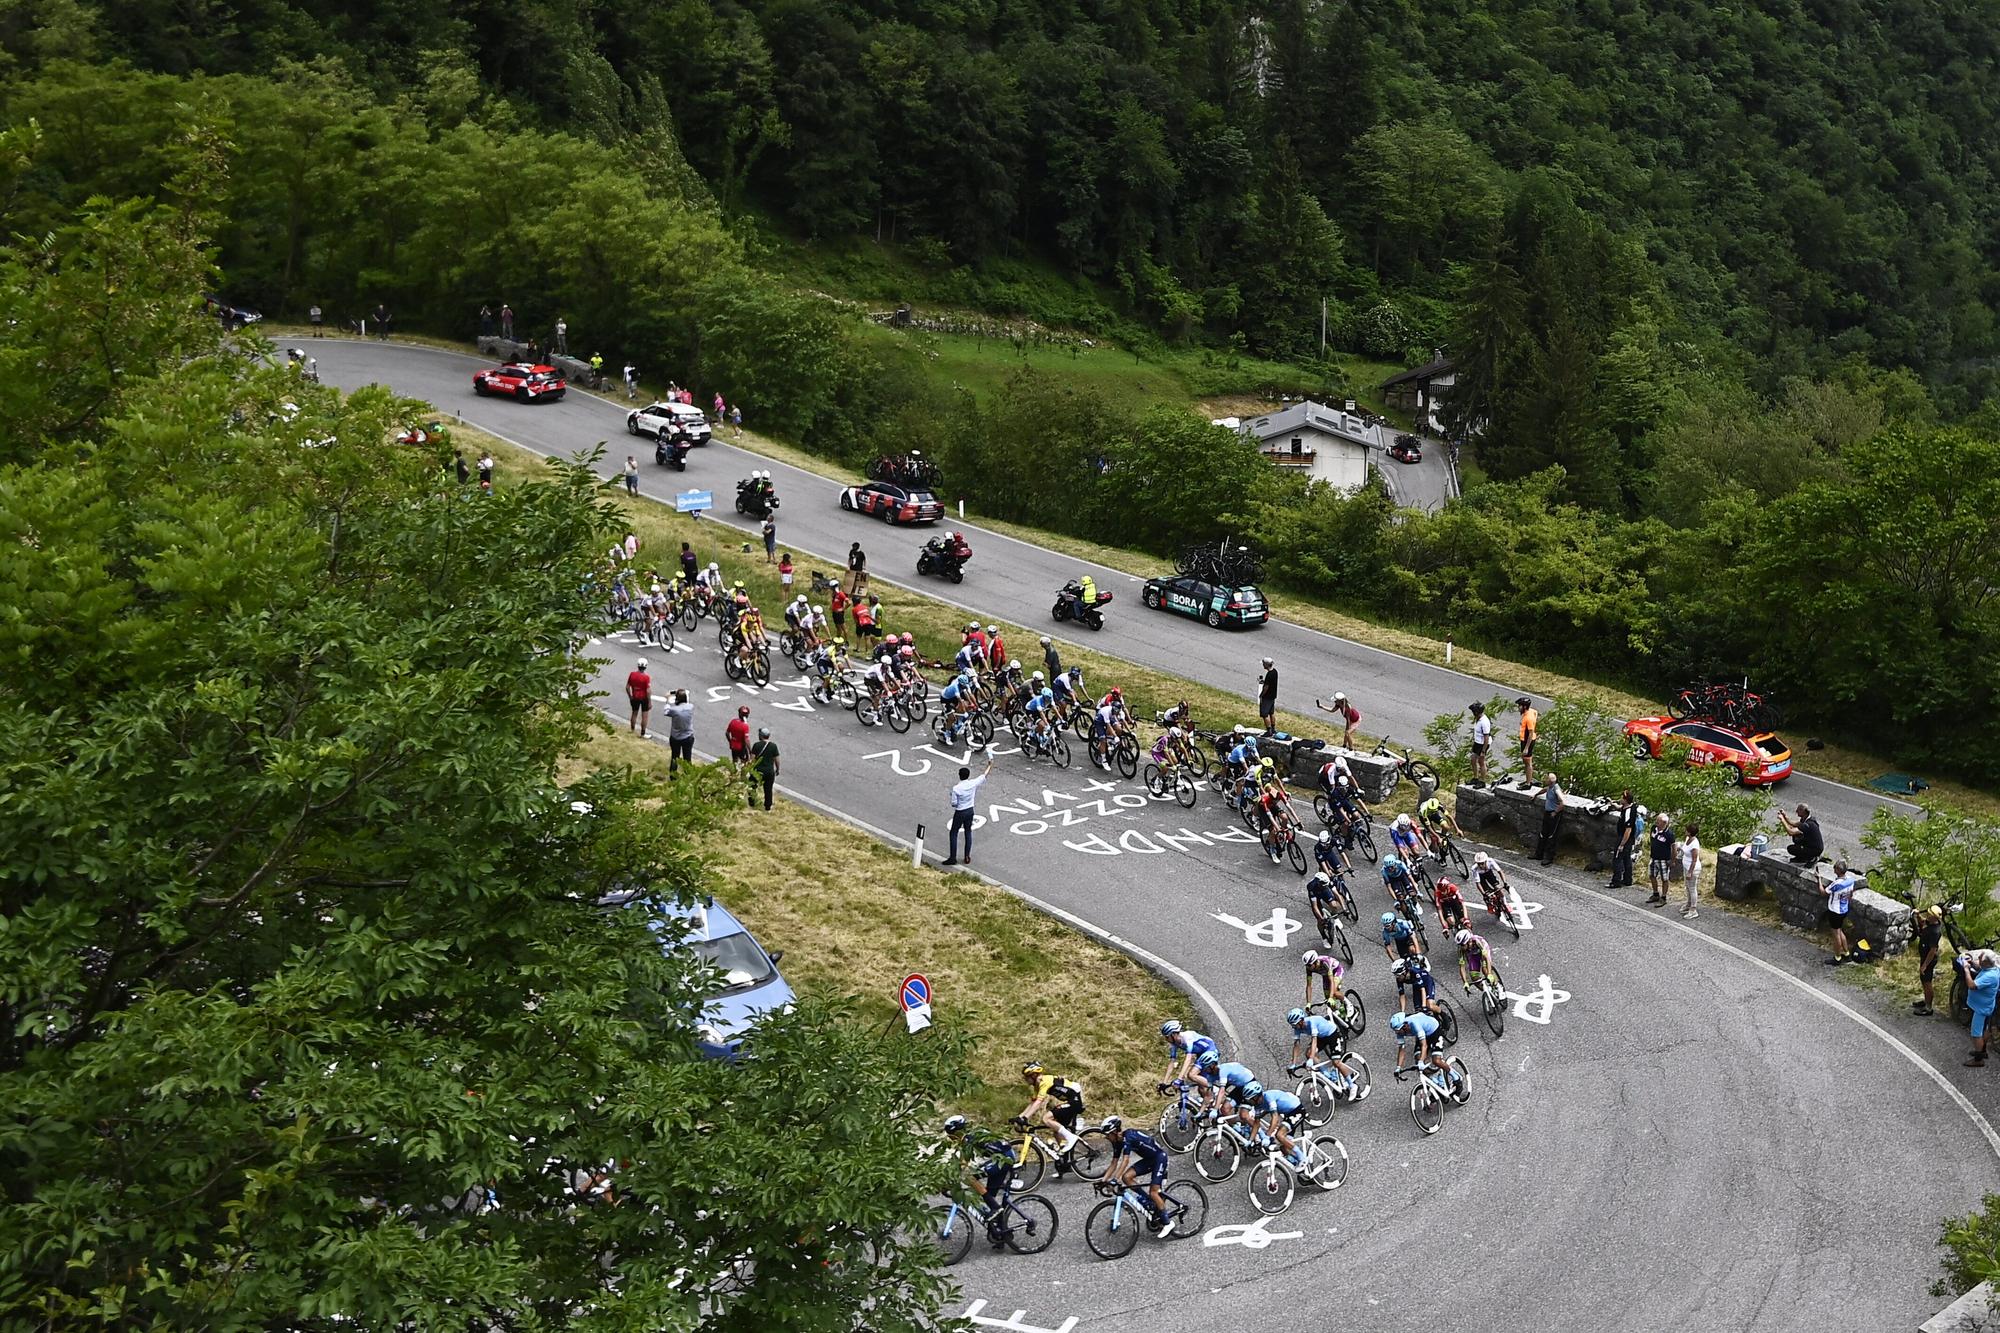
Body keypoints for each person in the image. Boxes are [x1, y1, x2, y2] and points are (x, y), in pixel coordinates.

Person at [1098, 1117, 1175, 1233]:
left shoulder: (1128, 1137)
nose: (1106, 1138)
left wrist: (1115, 1179)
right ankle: (1148, 1200)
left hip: (1160, 1158)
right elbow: (1113, 1163)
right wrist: (1104, 1180)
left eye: (1107, 1135)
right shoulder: (1117, 1142)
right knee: (1126, 1177)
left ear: (1114, 1132)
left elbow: (1125, 1161)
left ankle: (1168, 1223)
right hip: (1149, 1159)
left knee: (1154, 1192)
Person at [1286, 1003, 1365, 1103]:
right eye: (1292, 1025)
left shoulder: (1311, 1022)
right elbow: (1296, 1045)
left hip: (1332, 1035)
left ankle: (1353, 1085)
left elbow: (1314, 1040)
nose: (1295, 1027)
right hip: (1322, 1037)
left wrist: (1311, 1059)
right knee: (1309, 1052)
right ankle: (1329, 1076)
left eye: (1295, 1024)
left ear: (1301, 1020)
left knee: (1336, 1062)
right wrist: (1293, 1063)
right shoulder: (1298, 1028)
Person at [942, 1115, 1017, 1214]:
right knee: (989, 1196)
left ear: (957, 1133)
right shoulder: (970, 1134)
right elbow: (961, 1164)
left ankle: (995, 1207)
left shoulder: (968, 1139)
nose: (950, 1139)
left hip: (1004, 1159)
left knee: (969, 1177)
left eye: (951, 1135)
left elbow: (963, 1166)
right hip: (1003, 1156)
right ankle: (997, 1224)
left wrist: (949, 1184)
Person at [1014, 1062, 1085, 1156]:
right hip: (1070, 1101)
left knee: (1046, 1118)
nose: (1025, 1079)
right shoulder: (1037, 1085)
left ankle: (1071, 1138)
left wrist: (1025, 1117)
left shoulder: (1044, 1081)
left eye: (1027, 1077)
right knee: (1057, 1131)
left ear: (1034, 1075)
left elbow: (1039, 1102)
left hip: (1074, 1100)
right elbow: (1033, 1103)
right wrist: (1020, 1116)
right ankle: (1065, 1159)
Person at [945, 756, 993, 867]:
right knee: (968, 832)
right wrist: (990, 765)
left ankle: (953, 857)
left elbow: (953, 804)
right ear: (968, 775)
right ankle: (967, 856)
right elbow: (984, 775)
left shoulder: (956, 788)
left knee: (954, 832)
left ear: (959, 776)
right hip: (970, 810)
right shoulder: (972, 783)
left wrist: (952, 797)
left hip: (960, 811)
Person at [1158, 1019, 1220, 1102]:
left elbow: (1188, 1059)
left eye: (1167, 1036)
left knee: (1191, 1075)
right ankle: (1210, 1104)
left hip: (1209, 1050)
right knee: (1201, 1089)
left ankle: (1216, 1088)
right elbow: (1172, 1062)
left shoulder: (1187, 1037)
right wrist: (1164, 1083)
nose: (1166, 1039)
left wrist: (1179, 1079)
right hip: (1201, 1054)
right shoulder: (1174, 1044)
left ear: (1173, 1034)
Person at [1818, 859, 1861, 964]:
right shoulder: (1850, 880)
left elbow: (1823, 893)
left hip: (1835, 911)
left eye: (1835, 868)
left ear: (1838, 869)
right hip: (1844, 909)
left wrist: (1818, 880)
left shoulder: (1837, 884)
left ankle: (1837, 957)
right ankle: (1846, 954)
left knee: (1836, 934)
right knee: (1840, 930)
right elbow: (1850, 895)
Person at [1961, 953, 2000, 1067]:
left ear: (1986, 963)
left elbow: (1972, 985)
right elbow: (1980, 967)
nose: (1978, 960)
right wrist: (1972, 963)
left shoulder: (1990, 977)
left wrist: (1966, 969)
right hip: (1988, 1005)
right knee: (1985, 1029)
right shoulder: (1994, 968)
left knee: (1976, 1033)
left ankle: (1978, 1060)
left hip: (1981, 1009)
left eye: (1980, 959)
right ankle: (1983, 1051)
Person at [1914, 904, 1945, 1017]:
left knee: (1927, 982)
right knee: (1924, 980)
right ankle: (1926, 1000)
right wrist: (1918, 916)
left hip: (1929, 959)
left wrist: (1925, 965)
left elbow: (1932, 950)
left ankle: (1928, 1008)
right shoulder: (1930, 923)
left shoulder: (1935, 932)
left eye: (1929, 914)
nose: (1927, 915)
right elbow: (1923, 923)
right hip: (1924, 957)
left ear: (1934, 918)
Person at [1457, 928, 1503, 995]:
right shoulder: (1460, 950)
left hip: (1483, 950)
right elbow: (1462, 967)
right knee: (1474, 977)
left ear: (1469, 941)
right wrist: (1465, 982)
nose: (1462, 947)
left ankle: (1498, 987)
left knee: (1485, 970)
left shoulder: (1477, 941)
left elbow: (1486, 958)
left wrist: (1489, 974)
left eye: (1463, 945)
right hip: (1473, 954)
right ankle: (1488, 993)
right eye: (1460, 945)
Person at [1608, 789, 1638, 889]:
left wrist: (1622, 844)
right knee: (1626, 858)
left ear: (1625, 800)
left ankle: (1616, 881)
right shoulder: (1630, 806)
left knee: (1617, 858)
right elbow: (1621, 808)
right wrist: (1613, 804)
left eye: (1622, 798)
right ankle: (1627, 879)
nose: (1620, 799)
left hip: (1625, 837)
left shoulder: (1628, 812)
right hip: (1630, 838)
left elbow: (1628, 830)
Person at [1534, 773, 1564, 865]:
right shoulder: (1550, 788)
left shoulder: (1556, 789)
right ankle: (1539, 854)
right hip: (1547, 813)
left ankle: (1549, 857)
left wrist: (1555, 812)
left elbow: (1562, 802)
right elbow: (1544, 790)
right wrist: (1535, 794)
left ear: (1550, 781)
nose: (1545, 780)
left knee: (1551, 836)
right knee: (1543, 833)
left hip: (1553, 815)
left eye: (1546, 779)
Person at [746, 727, 779, 810]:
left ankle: (752, 802)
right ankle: (768, 806)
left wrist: (749, 768)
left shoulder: (757, 745)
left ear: (760, 736)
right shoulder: (773, 746)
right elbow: (777, 759)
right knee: (768, 789)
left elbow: (752, 759)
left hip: (757, 771)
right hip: (769, 772)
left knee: (752, 786)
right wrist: (777, 769)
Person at [1646, 812, 1675, 906]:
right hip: (1653, 857)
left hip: (1663, 859)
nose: (1656, 822)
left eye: (1658, 821)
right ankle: (1655, 894)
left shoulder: (1669, 834)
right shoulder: (1654, 828)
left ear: (1664, 823)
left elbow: (1673, 848)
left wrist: (1672, 860)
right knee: (1651, 875)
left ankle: (1664, 897)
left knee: (1664, 878)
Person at [663, 689, 694, 774]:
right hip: (688, 737)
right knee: (687, 758)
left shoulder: (674, 710)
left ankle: (673, 776)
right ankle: (688, 775)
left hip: (676, 737)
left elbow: (666, 711)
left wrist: (667, 700)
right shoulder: (690, 707)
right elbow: (687, 696)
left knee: (675, 757)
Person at [1678, 821, 1703, 918]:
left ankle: (1693, 909)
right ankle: (1688, 903)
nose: (1685, 831)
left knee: (1692, 888)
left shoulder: (1695, 844)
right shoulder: (1688, 839)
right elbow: (1684, 848)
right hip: (1686, 866)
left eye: (1686, 830)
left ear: (1689, 832)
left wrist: (1690, 872)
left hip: (1692, 869)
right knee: (1687, 886)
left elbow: (1694, 860)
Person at [1516, 696, 1539, 786]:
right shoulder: (1531, 712)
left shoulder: (1528, 718)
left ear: (1524, 707)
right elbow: (1536, 713)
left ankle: (1528, 783)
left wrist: (1526, 748)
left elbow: (1530, 733)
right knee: (1526, 762)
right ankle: (1527, 780)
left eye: (1520, 706)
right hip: (1525, 739)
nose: (1518, 708)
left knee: (1527, 762)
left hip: (1527, 741)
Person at [1468, 701, 1493, 786]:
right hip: (1477, 742)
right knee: (1473, 759)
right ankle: (1475, 777)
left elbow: (1486, 736)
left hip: (1483, 744)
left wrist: (1483, 751)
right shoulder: (1478, 719)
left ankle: (1482, 781)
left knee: (1481, 761)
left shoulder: (1484, 722)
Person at [626, 658, 652, 737]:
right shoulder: (646, 677)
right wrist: (649, 701)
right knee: (644, 715)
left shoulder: (632, 674)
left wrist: (630, 696)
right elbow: (648, 691)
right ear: (646, 666)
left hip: (634, 696)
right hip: (644, 698)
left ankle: (632, 729)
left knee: (634, 713)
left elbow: (627, 687)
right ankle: (643, 733)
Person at [1257, 657, 1278, 734]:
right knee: (1271, 713)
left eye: (1263, 664)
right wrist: (1264, 681)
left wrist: (1261, 694)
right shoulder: (1275, 672)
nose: (1263, 665)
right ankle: (1273, 729)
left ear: (1266, 664)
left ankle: (1269, 731)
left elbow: (1266, 687)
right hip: (1273, 696)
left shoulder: (1269, 674)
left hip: (1267, 697)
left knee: (1264, 714)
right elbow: (1270, 683)